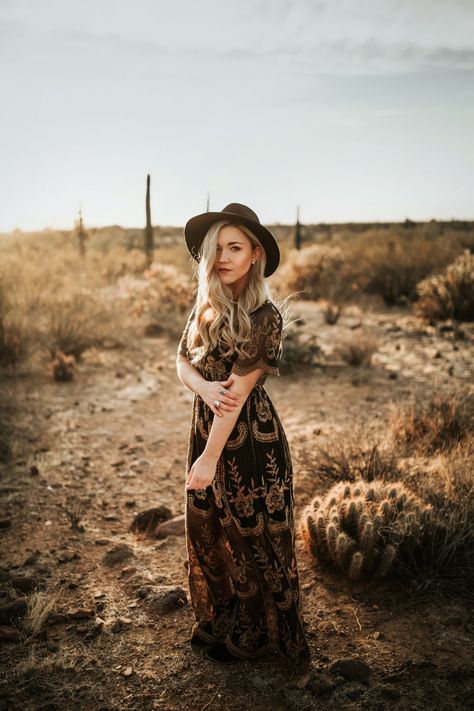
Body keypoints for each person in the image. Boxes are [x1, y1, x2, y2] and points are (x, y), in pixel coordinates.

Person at [176, 202, 311, 666]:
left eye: (235, 247)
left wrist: (209, 460)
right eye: (217, 248)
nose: (224, 257)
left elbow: (233, 400)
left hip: (249, 443)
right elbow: (181, 362)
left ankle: (262, 634)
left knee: (253, 538)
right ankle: (224, 619)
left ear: (255, 254)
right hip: (208, 427)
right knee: (208, 528)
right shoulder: (207, 306)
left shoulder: (264, 317)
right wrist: (204, 387)